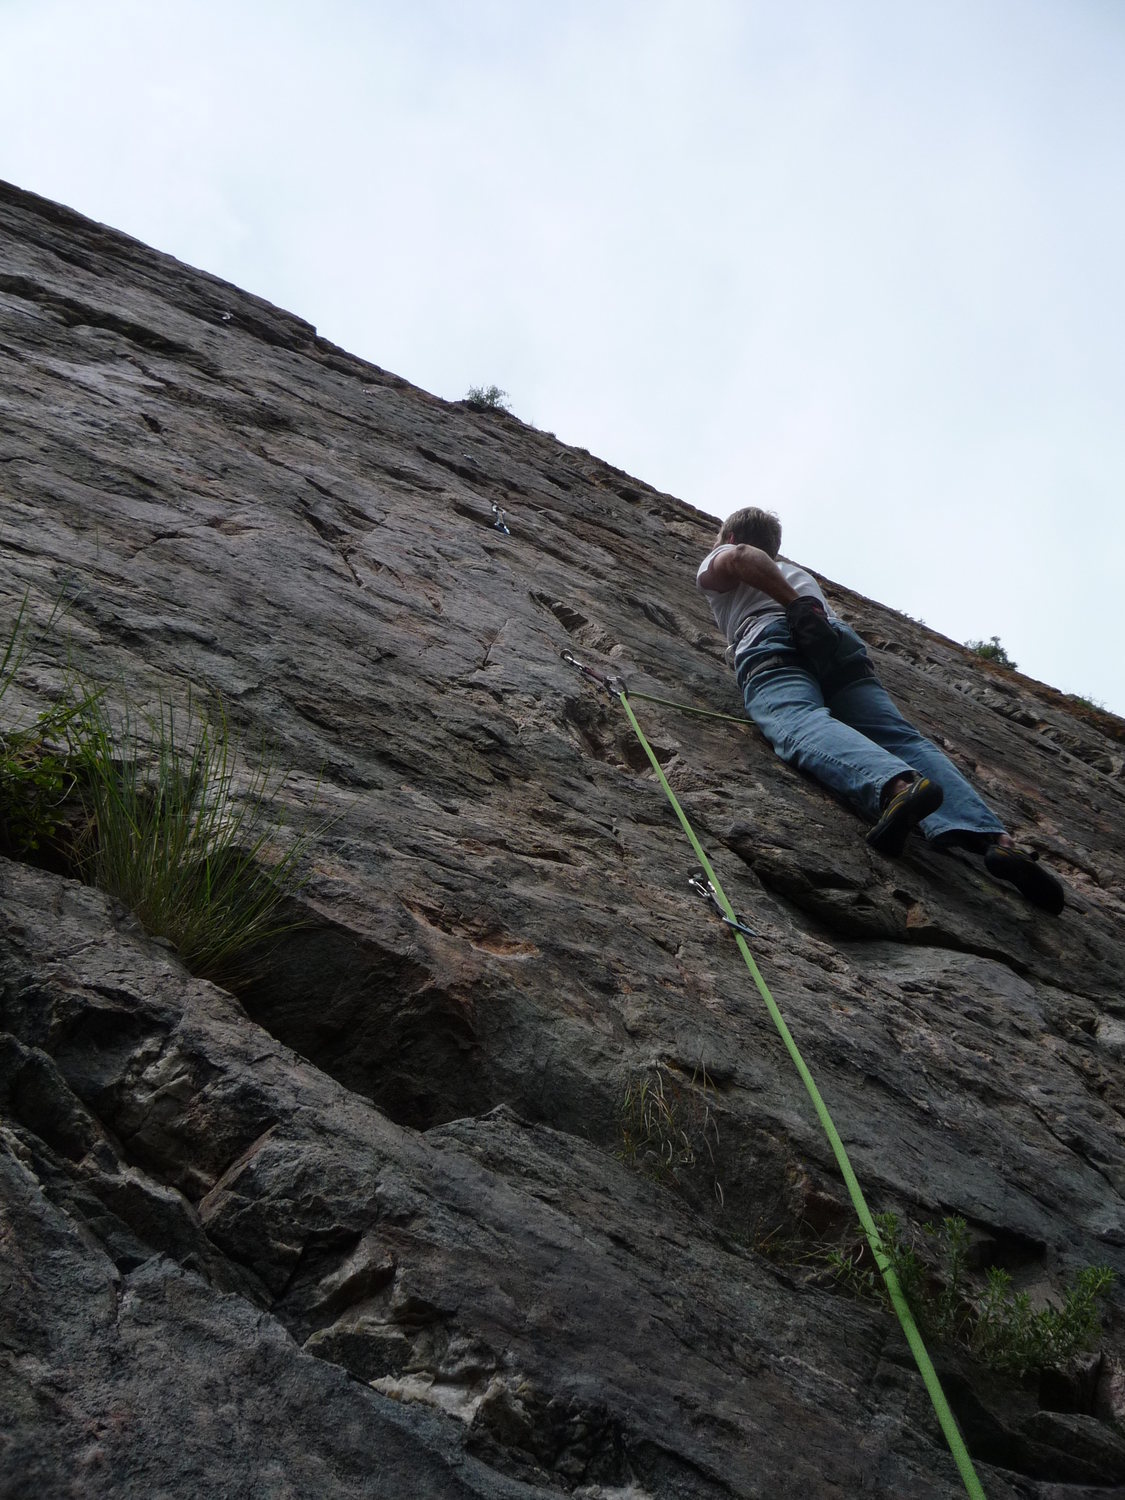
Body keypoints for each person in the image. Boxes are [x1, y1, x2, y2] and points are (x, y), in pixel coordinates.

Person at [696, 506, 1065, 914]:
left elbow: (742, 557)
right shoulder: (799, 575)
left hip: (773, 637)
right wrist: (804, 608)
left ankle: (896, 789)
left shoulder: (730, 555)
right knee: (898, 736)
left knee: (797, 720)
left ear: (727, 537)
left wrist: (793, 608)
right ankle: (995, 841)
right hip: (835, 643)